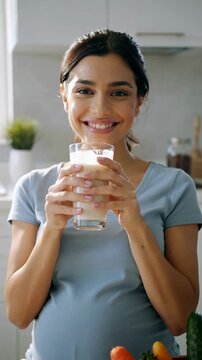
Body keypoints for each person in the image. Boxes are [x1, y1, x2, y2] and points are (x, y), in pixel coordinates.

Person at [5, 29, 202, 360]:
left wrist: (135, 222)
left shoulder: (174, 186)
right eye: (84, 90)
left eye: (119, 93)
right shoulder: (34, 188)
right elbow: (19, 314)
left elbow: (180, 319)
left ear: (139, 102)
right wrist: (51, 228)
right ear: (65, 97)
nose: (100, 108)